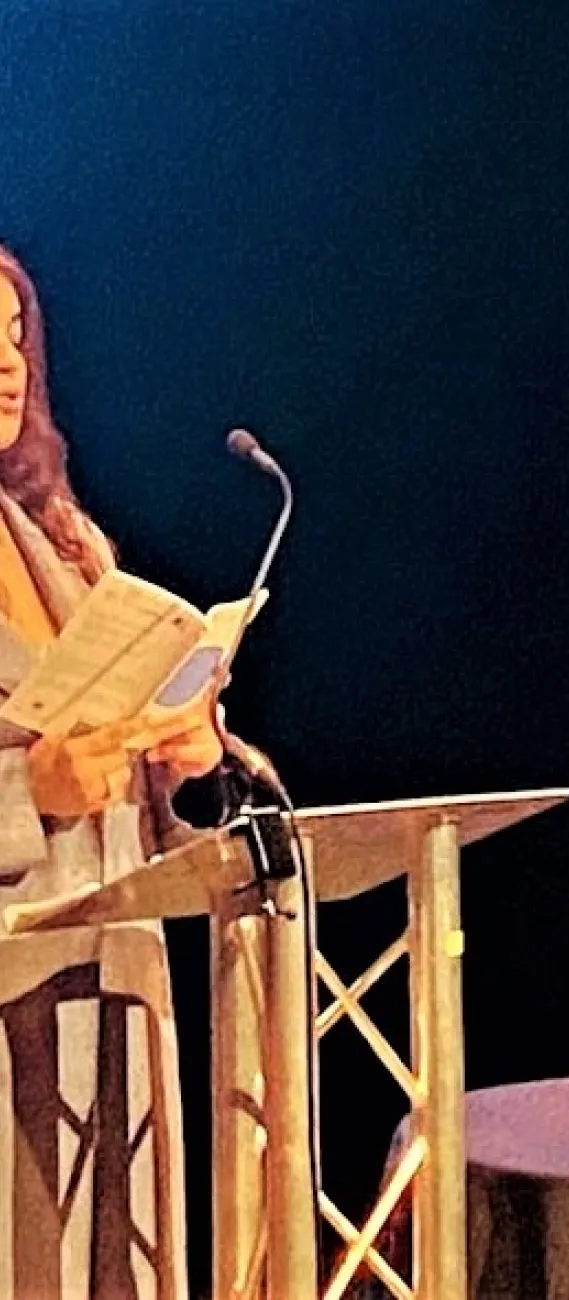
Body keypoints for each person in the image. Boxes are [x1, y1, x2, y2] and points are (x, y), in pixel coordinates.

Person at [0, 242, 223, 1299]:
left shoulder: (68, 541)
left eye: (14, 337)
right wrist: (28, 797)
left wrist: (180, 754)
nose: (8, 365)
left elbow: (123, 748)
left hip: (109, 965)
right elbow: (41, 780)